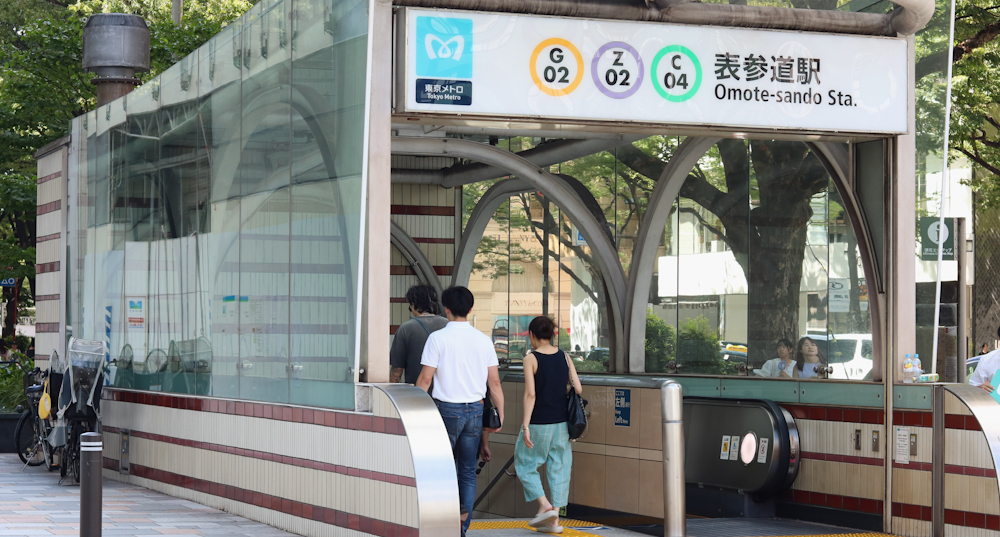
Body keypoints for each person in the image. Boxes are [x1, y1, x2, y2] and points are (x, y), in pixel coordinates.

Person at [416, 286, 504, 537]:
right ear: (471, 309)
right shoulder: (483, 340)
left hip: (446, 411)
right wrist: (500, 413)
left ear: (446, 309)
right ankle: (461, 529)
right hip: (476, 411)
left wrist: (412, 411)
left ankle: (441, 525)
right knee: (467, 471)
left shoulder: (437, 339)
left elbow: (424, 380)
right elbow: (494, 383)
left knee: (440, 469)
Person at [515, 316, 582, 534]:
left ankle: (544, 505)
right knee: (560, 467)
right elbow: (578, 389)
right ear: (552, 335)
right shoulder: (565, 357)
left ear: (532, 335)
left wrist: (525, 426)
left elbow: (530, 394)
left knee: (525, 463)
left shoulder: (531, 358)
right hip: (561, 423)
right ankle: (555, 520)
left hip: (538, 423)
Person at [389, 284, 448, 385]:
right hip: (447, 393)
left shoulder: (406, 329)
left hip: (416, 392)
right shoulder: (448, 325)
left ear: (413, 304)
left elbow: (397, 369)